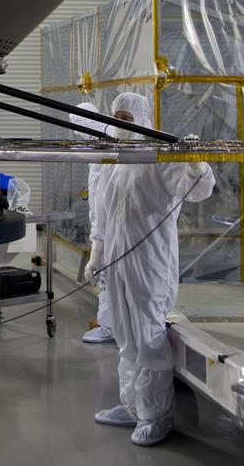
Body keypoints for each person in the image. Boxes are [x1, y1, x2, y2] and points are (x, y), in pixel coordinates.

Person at [92, 92, 215, 447]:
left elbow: (198, 190)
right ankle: (132, 404)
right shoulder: (116, 160)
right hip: (117, 261)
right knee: (123, 333)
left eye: (127, 118)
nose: (120, 124)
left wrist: (195, 164)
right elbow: (103, 211)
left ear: (143, 119)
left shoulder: (160, 154)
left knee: (148, 335)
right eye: (116, 117)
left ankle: (157, 415)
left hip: (149, 261)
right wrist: (97, 251)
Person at [71, 101, 115, 345]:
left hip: (110, 229)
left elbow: (100, 203)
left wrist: (97, 247)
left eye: (78, 124)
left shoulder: (103, 143)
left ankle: (109, 327)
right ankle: (113, 325)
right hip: (110, 227)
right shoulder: (100, 140)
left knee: (110, 275)